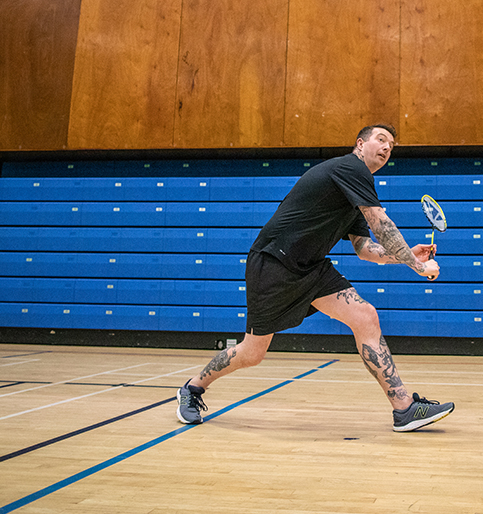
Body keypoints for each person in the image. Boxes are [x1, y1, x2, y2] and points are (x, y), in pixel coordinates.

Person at [176, 124, 454, 432]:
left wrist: (407, 256)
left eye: (392, 145)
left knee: (365, 316)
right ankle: (192, 389)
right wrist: (415, 264)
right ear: (360, 144)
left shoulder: (357, 189)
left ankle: (404, 409)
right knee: (252, 353)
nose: (387, 147)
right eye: (381, 139)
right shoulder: (351, 168)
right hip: (274, 262)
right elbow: (381, 225)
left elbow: (365, 249)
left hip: (312, 267)